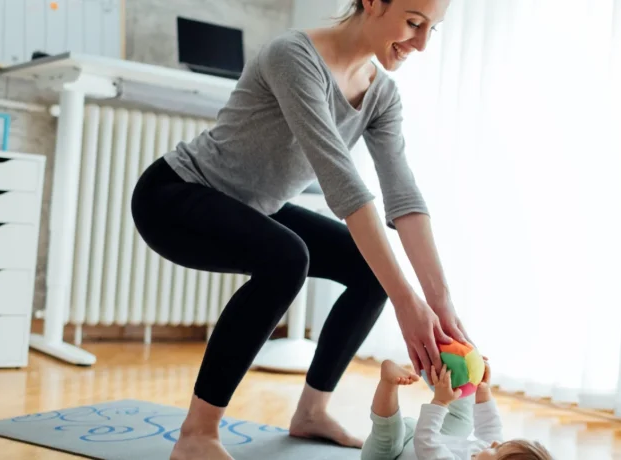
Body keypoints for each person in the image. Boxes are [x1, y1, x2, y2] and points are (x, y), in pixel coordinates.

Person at [129, 0, 469, 458]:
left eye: (434, 29)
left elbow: (402, 197)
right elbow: (342, 182)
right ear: (372, 2)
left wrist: (440, 305)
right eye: (413, 23)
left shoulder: (381, 95)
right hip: (175, 195)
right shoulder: (293, 56)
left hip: (255, 208)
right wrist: (408, 303)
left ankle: (311, 412)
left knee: (368, 270)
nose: (423, 44)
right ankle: (197, 435)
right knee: (287, 257)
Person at [362, 360, 553, 460]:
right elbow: (490, 427)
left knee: (388, 433)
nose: (495, 442)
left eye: (498, 450)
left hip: (391, 453)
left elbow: (425, 440)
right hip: (431, 436)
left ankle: (388, 382)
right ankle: (446, 366)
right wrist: (483, 390)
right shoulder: (487, 451)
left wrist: (440, 402)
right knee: (464, 418)